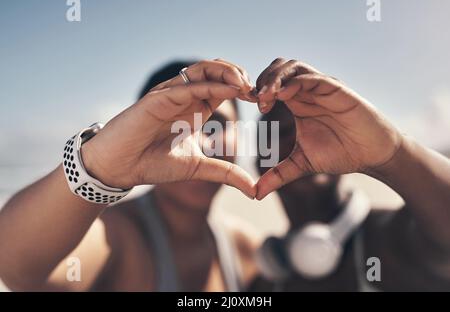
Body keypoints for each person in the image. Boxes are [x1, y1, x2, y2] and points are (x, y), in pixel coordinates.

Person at [0, 59, 261, 291]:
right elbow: (15, 268)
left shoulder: (244, 245)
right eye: (174, 126)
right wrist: (99, 168)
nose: (195, 141)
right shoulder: (118, 236)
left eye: (215, 124)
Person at [249, 58, 450, 291]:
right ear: (260, 167)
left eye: (317, 125)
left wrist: (392, 152)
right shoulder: (264, 285)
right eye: (282, 133)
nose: (302, 139)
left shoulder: (393, 240)